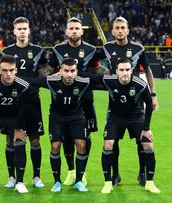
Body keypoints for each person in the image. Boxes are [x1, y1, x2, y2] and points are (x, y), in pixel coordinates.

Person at [0, 16, 50, 188]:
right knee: (10, 140)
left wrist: (54, 77)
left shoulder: (38, 51)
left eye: (25, 28)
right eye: (19, 29)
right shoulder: (6, 52)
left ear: (29, 30)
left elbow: (46, 70)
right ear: (14, 31)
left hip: (32, 101)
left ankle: (36, 177)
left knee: (35, 139)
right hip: (11, 103)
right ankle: (11, 177)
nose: (22, 31)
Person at [101, 16, 158, 186]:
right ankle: (116, 174)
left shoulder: (137, 48)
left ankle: (142, 173)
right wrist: (104, 71)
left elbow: (147, 71)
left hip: (137, 100)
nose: (120, 30)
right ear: (112, 31)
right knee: (113, 140)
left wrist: (153, 94)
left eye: (122, 27)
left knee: (142, 140)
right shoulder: (106, 47)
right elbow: (93, 63)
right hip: (115, 100)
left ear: (128, 30)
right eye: (117, 28)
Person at [48, 17, 99, 186]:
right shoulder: (58, 50)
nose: (74, 31)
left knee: (86, 137)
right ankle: (71, 171)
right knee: (67, 137)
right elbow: (49, 72)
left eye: (77, 28)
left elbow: (98, 69)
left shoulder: (91, 49)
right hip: (63, 100)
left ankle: (80, 172)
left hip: (85, 100)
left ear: (82, 31)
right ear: (66, 31)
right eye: (71, 28)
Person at [99, 57, 160, 194]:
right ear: (116, 71)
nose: (125, 73)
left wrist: (146, 129)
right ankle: (109, 181)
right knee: (108, 145)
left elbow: (149, 105)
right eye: (121, 70)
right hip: (115, 117)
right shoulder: (109, 80)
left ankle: (149, 181)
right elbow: (90, 79)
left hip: (136, 117)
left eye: (127, 69)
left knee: (147, 145)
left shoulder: (140, 84)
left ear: (132, 70)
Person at [33, 58, 91, 192]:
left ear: (77, 71)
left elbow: (101, 81)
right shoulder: (51, 81)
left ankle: (78, 181)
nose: (69, 74)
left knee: (82, 145)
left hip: (76, 117)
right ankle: (57, 182)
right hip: (56, 118)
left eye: (72, 71)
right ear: (60, 71)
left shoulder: (84, 82)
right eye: (66, 71)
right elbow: (33, 81)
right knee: (55, 146)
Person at [0, 54, 30, 194]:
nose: (8, 74)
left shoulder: (24, 86)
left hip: (15, 118)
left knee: (19, 143)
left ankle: (19, 181)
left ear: (16, 70)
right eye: (5, 70)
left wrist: (19, 128)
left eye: (11, 70)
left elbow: (22, 109)